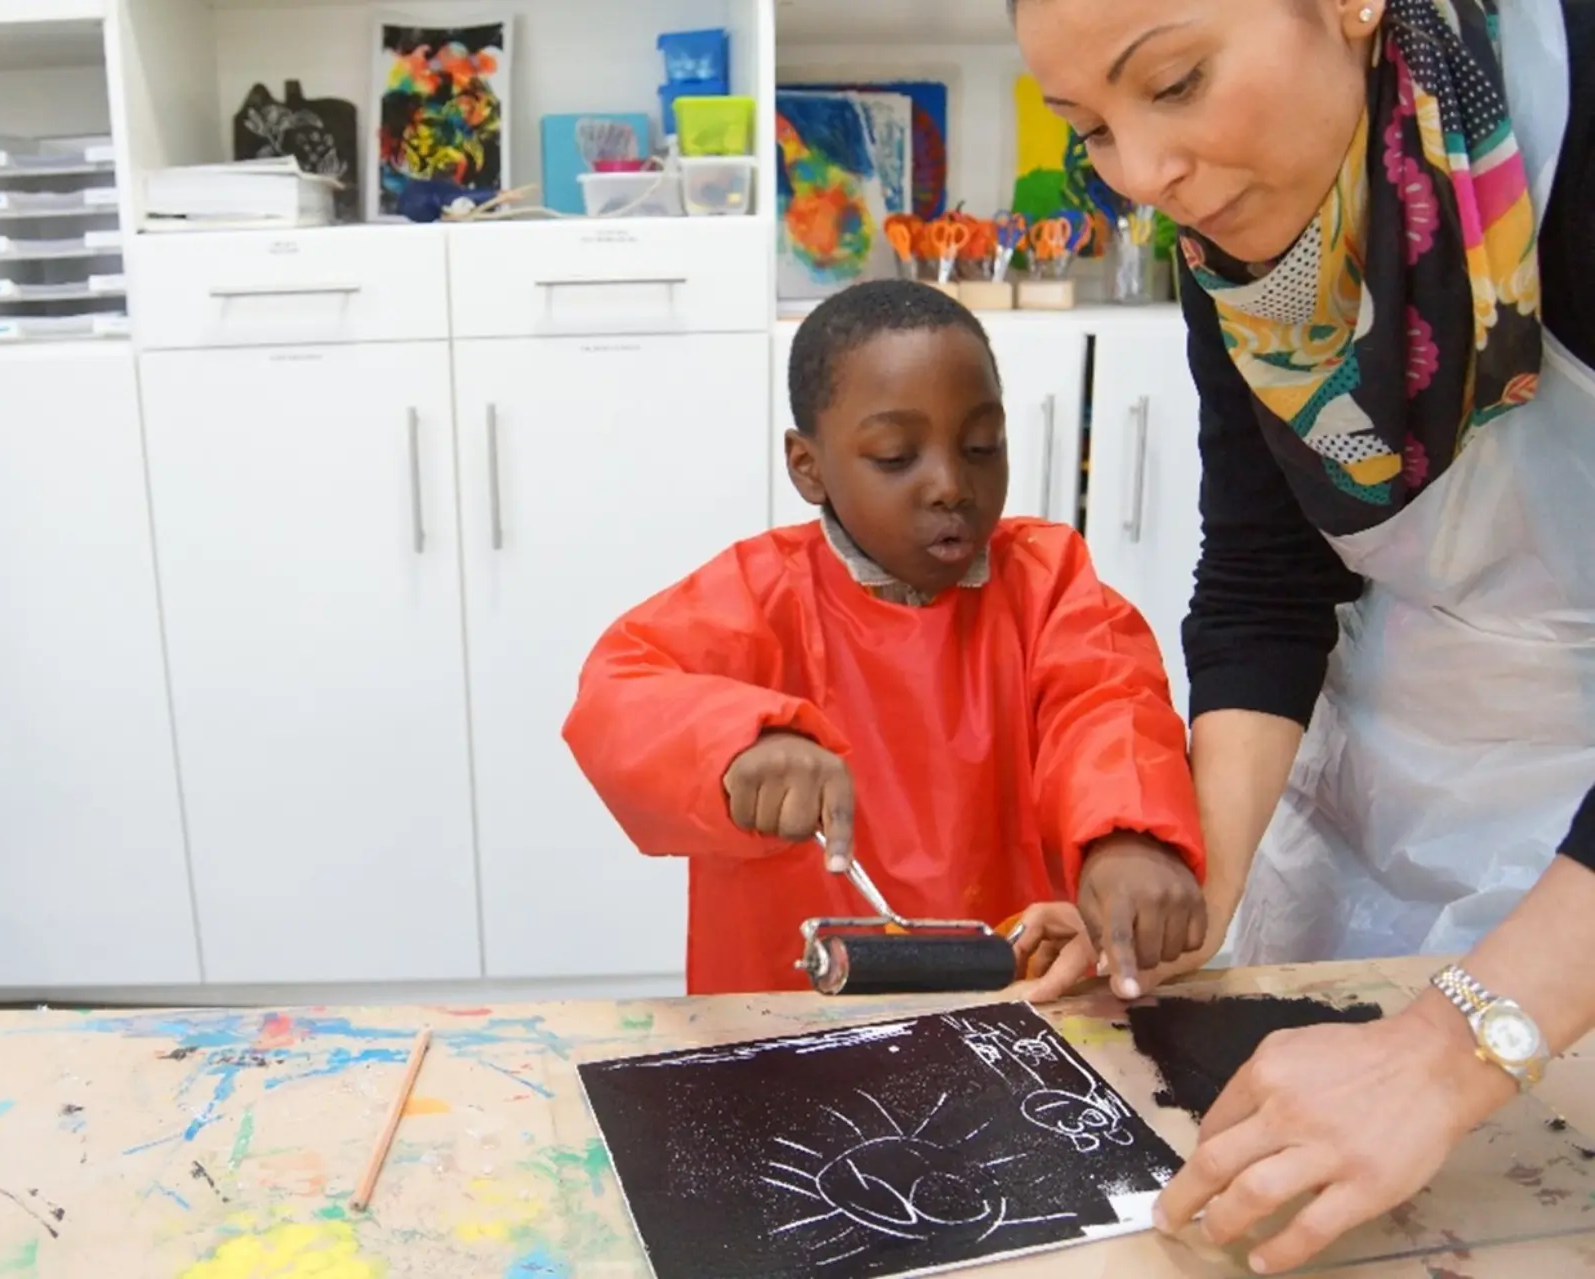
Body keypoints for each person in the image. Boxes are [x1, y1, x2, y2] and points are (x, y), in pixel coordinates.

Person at [1012, 0, 1595, 1269]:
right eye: (1089, 130)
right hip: (1401, 768)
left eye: (1173, 81)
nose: (1145, 176)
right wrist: (1192, 895)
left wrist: (1448, 1050)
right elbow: (1268, 582)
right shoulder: (1240, 245)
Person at [561, 279, 1207, 996]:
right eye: (897, 455)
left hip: (1021, 1000)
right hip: (791, 1016)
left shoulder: (1050, 584)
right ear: (808, 465)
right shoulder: (756, 592)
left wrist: (1128, 839)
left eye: (981, 445)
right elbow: (617, 693)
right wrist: (737, 744)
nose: (950, 484)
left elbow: (1107, 705)